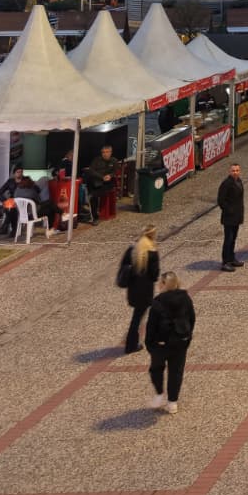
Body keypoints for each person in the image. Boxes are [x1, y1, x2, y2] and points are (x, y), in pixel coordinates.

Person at [145, 271, 195, 414]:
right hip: (180, 341)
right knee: (176, 371)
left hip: (161, 344)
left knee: (156, 369)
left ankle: (160, 395)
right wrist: (188, 336)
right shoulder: (185, 298)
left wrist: (149, 345)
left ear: (163, 284)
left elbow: (151, 326)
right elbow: (192, 318)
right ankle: (173, 402)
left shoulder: (158, 302)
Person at [119, 224, 160, 354]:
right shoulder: (152, 253)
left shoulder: (133, 250)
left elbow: (124, 266)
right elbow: (154, 275)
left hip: (133, 290)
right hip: (146, 291)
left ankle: (132, 342)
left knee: (137, 316)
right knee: (137, 318)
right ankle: (131, 344)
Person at [0, 168, 42, 238]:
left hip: (26, 203)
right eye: (18, 172)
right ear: (14, 174)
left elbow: (37, 191)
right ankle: (10, 229)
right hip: (13, 202)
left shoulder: (26, 181)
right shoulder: (10, 182)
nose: (20, 173)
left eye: (21, 172)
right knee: (10, 208)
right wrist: (5, 201)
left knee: (12, 210)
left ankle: (7, 228)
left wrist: (32, 187)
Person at [83, 145, 122, 224]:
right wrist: (101, 177)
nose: (105, 154)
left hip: (108, 183)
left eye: (107, 152)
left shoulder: (114, 161)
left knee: (94, 194)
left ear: (111, 152)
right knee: (93, 195)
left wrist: (110, 176)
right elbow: (91, 170)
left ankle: (93, 198)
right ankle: (95, 217)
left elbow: (115, 171)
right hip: (96, 181)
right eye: (103, 152)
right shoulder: (96, 160)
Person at [217, 163, 244, 271]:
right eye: (233, 171)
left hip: (236, 217)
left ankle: (232, 258)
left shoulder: (239, 181)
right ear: (230, 171)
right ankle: (225, 262)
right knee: (228, 239)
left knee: (233, 239)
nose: (235, 172)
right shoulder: (226, 183)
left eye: (237, 170)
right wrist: (230, 210)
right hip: (229, 217)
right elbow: (221, 201)